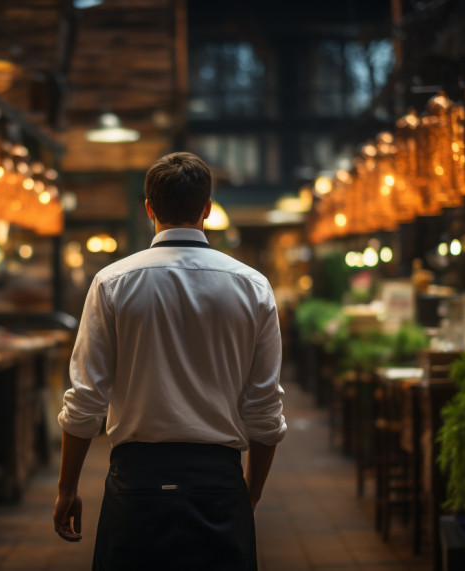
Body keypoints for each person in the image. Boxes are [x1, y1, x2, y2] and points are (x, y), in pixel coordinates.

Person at [53, 151, 286, 571]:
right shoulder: (253, 287)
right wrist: (247, 494)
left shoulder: (112, 283)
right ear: (208, 209)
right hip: (219, 480)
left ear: (148, 209)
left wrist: (66, 488)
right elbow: (265, 409)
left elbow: (86, 399)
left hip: (136, 480)